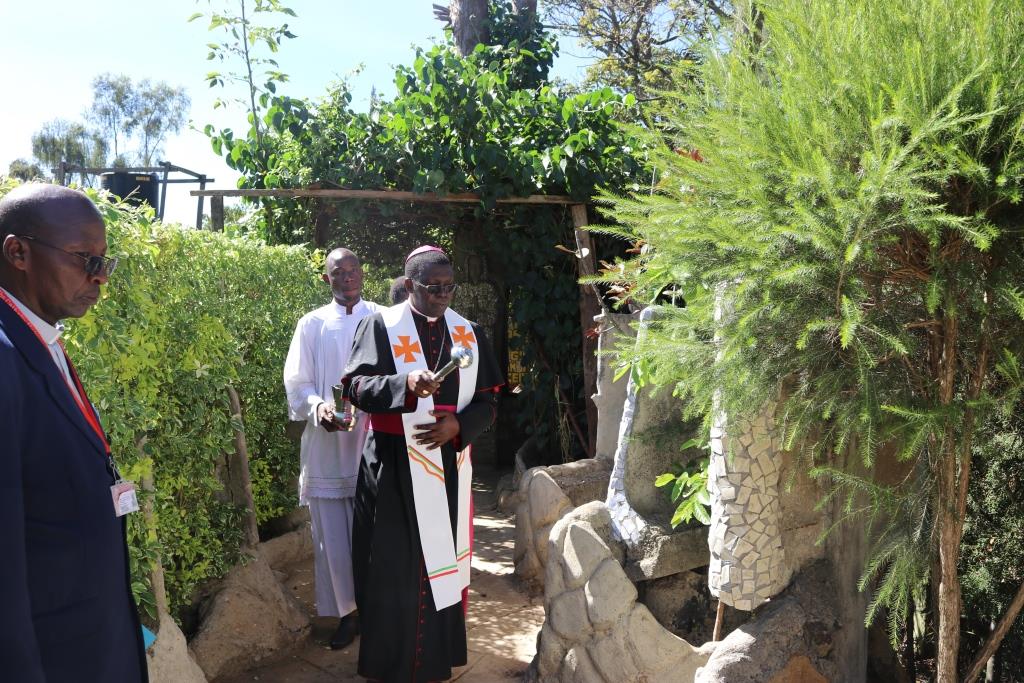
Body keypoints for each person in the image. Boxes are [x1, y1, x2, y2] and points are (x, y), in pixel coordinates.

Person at [0, 183, 147, 681]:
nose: (101, 278)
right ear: (18, 252)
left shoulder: (36, 338)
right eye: (85, 259)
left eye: (105, 261)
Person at [342, 245, 502, 683]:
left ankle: (432, 663)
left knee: (439, 567)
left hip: (446, 466)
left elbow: (489, 400)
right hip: (391, 465)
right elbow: (356, 387)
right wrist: (405, 383)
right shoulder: (380, 325)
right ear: (410, 285)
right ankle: (387, 665)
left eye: (450, 287)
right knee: (389, 566)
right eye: (434, 288)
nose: (443, 296)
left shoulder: (469, 332)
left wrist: (459, 426)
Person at [283, 248, 381, 649]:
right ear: (326, 279)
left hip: (372, 440)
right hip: (326, 445)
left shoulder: (381, 318)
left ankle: (377, 611)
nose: (348, 278)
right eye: (338, 272)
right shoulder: (312, 324)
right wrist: (318, 406)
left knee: (375, 533)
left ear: (362, 274)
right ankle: (347, 614)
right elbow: (297, 380)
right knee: (331, 537)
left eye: (354, 270)